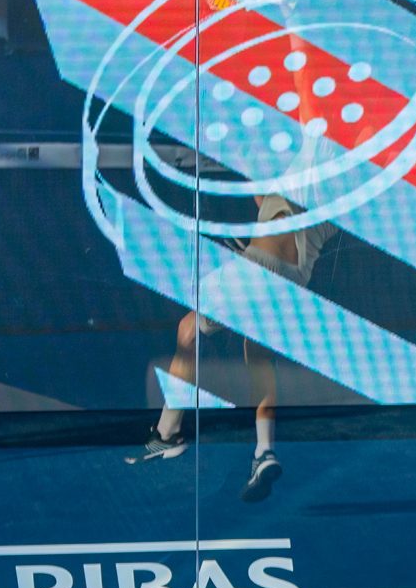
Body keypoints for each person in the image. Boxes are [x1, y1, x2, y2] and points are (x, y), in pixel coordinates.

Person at [134, 193, 332, 501]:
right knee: (258, 353)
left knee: (188, 330)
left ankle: (166, 435)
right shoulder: (335, 196)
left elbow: (265, 199)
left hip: (259, 268)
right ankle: (264, 451)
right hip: (296, 276)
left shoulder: (304, 175)